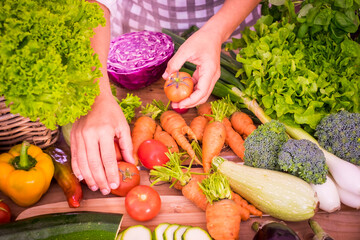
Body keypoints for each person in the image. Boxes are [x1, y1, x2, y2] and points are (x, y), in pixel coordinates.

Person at [71, 0, 262, 195]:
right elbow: (91, 4)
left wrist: (217, 31)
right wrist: (98, 96)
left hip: (234, 24)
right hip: (140, 27)